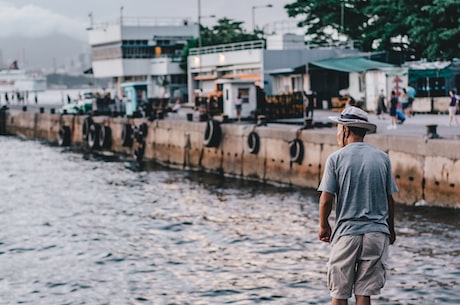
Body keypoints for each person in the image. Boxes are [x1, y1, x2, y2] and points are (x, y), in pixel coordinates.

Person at [318, 106, 397, 305]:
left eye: (338, 127)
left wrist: (323, 225)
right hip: (377, 234)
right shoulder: (382, 158)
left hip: (347, 233)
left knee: (340, 292)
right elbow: (390, 200)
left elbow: (326, 199)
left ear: (345, 130)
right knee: (364, 292)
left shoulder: (336, 158)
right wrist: (391, 229)